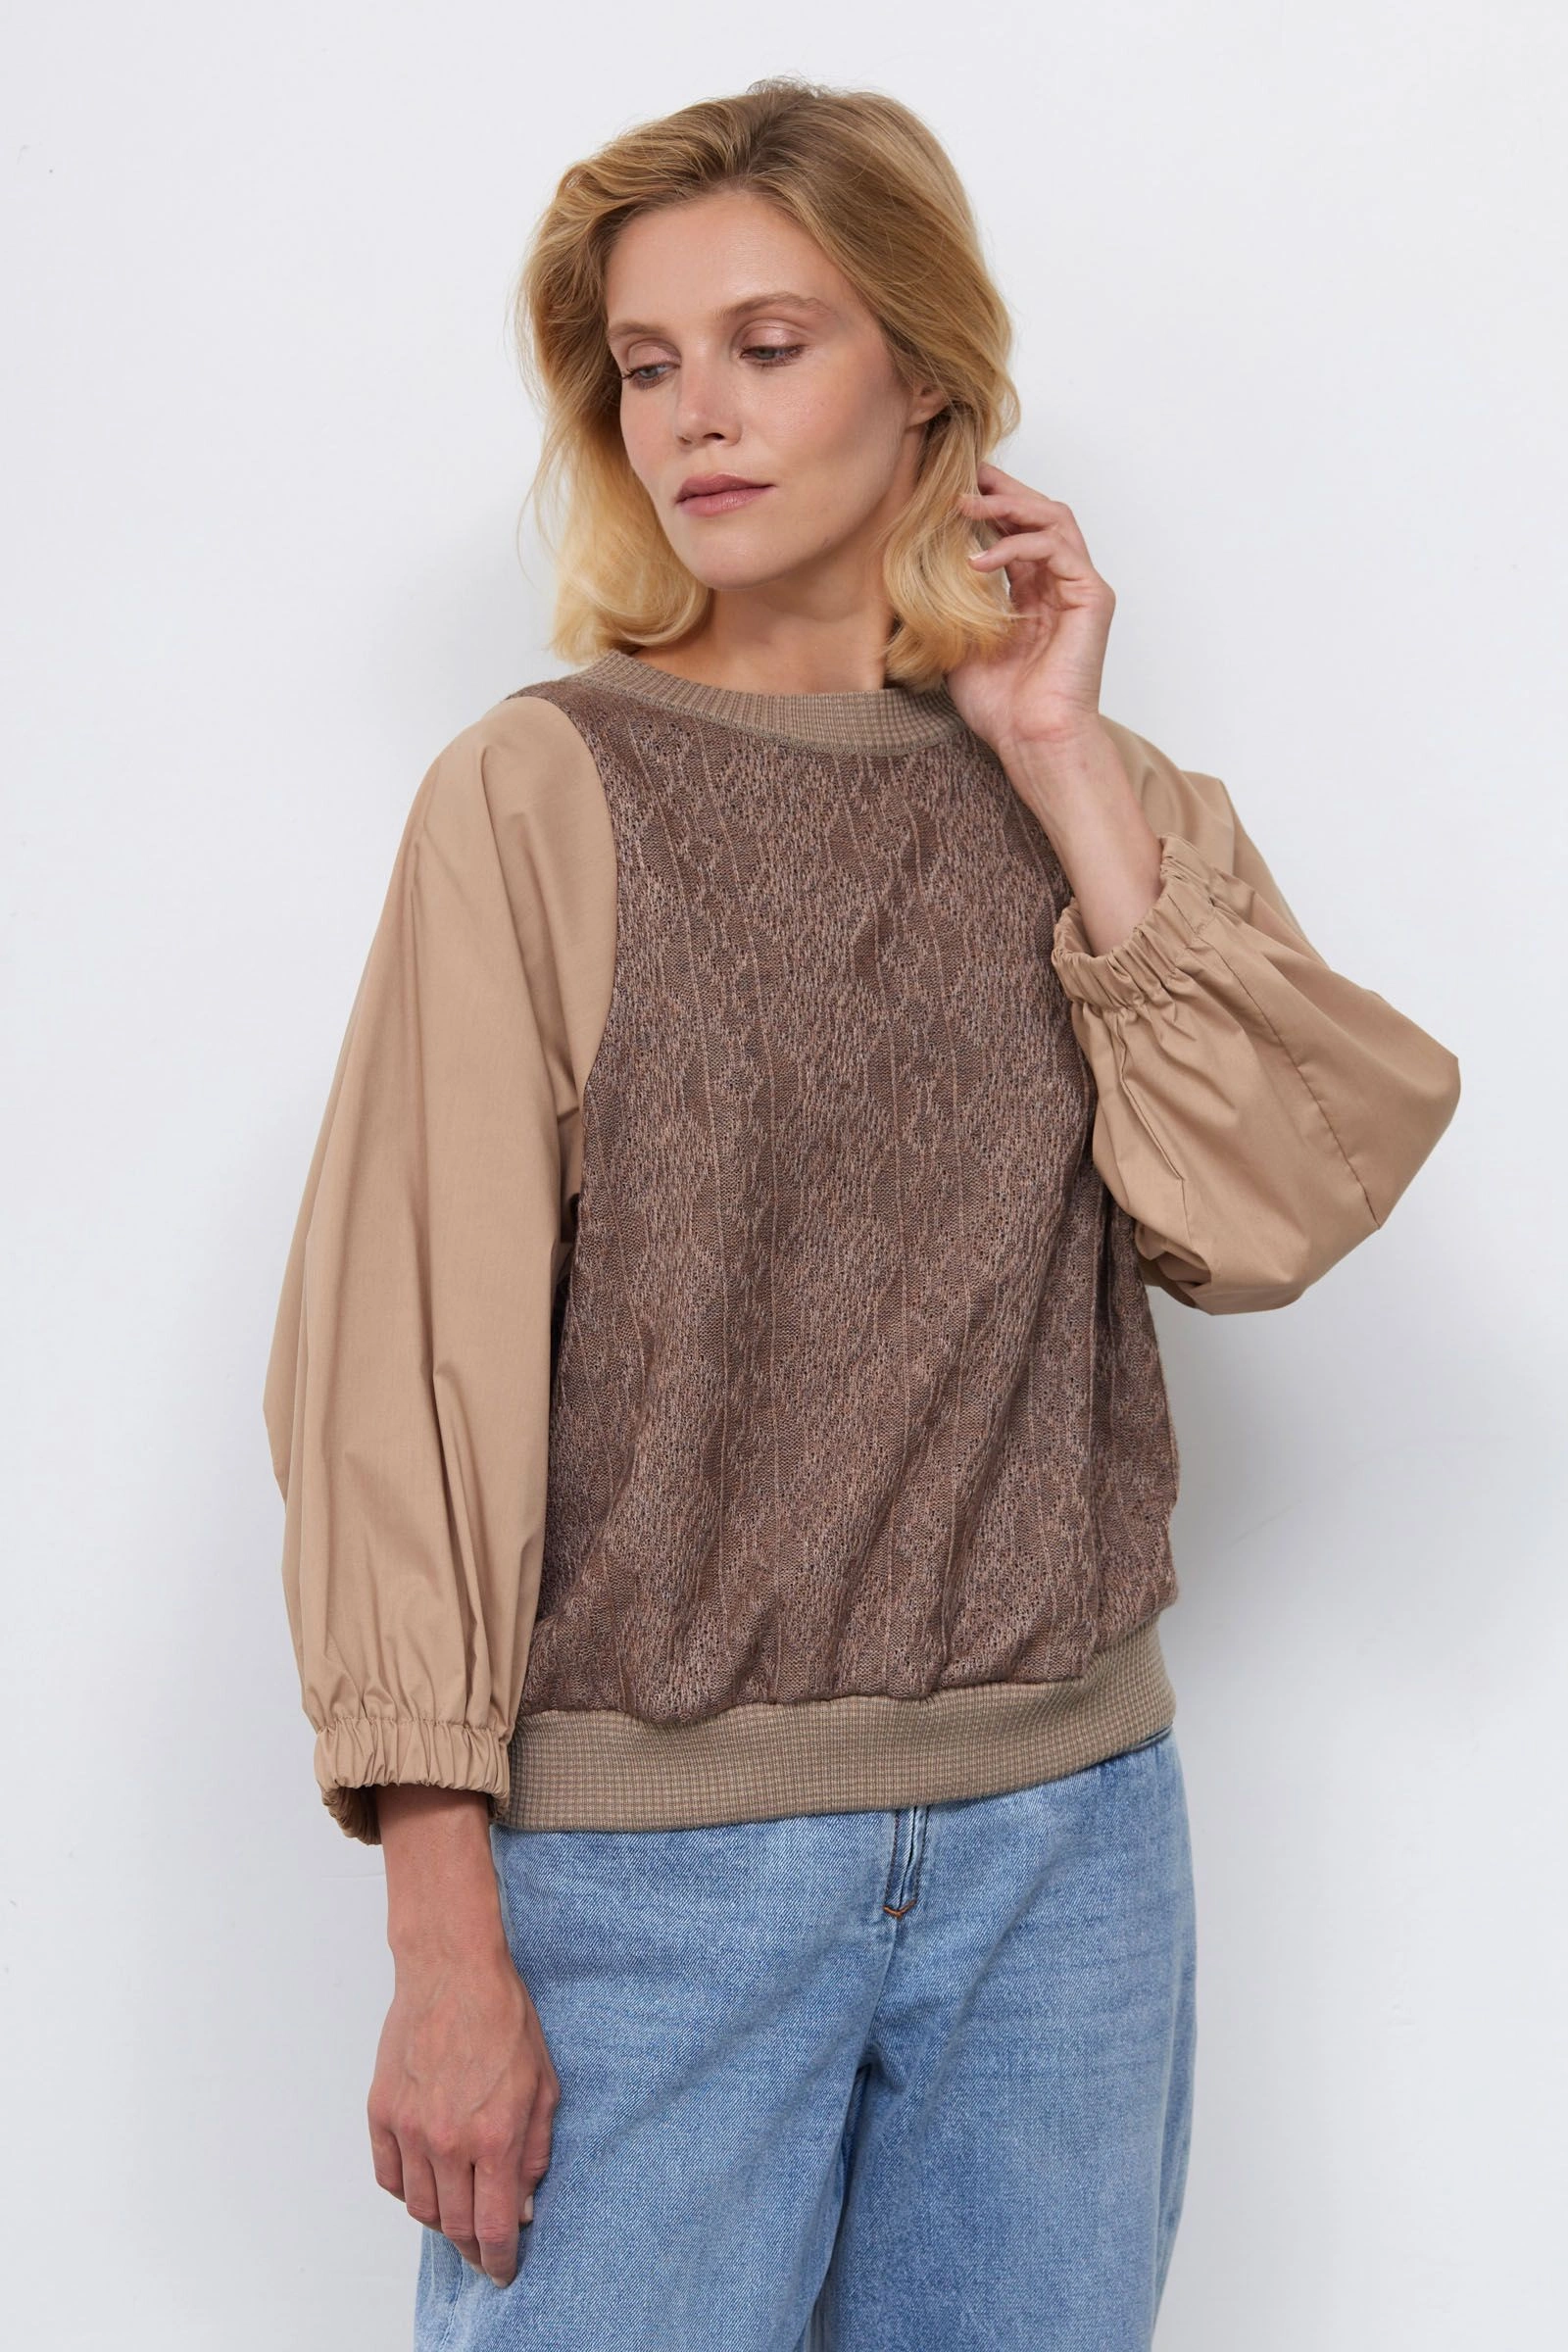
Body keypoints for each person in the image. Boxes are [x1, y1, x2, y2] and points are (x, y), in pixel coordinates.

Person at [262, 75, 1462, 2352]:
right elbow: (405, 1384)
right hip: (650, 1884)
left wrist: (1062, 763)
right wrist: (440, 1937)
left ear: (921, 374)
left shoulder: (1092, 792)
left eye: (766, 344)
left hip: (1065, 1855)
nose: (693, 418)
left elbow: (1272, 1211)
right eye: (646, 365)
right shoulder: (541, 793)